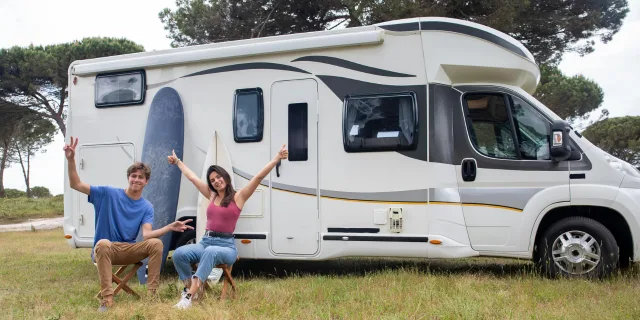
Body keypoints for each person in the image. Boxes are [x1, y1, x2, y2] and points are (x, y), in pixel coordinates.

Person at [63, 136, 194, 312]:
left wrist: (170, 227)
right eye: (134, 176)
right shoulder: (107, 194)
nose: (137, 180)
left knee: (156, 243)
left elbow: (147, 235)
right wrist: (71, 159)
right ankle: (107, 299)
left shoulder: (146, 206)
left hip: (128, 250)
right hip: (105, 250)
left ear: (146, 182)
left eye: (141, 177)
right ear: (128, 177)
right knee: (102, 243)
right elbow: (76, 184)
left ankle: (152, 294)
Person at [168, 144, 289, 309]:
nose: (216, 181)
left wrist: (277, 158)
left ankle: (189, 297)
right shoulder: (211, 195)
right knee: (179, 254)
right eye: (212, 180)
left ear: (225, 177)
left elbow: (258, 177)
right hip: (206, 242)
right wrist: (178, 162)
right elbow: (192, 178)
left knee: (211, 252)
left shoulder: (239, 197)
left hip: (226, 247)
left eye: (218, 177)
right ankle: (190, 288)